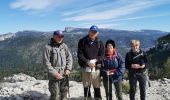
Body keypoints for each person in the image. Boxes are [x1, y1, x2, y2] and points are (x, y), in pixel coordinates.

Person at [43, 30, 73, 100]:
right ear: (54, 37)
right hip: (54, 77)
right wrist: (55, 74)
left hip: (64, 75)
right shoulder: (48, 47)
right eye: (58, 36)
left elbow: (69, 57)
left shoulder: (64, 46)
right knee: (55, 95)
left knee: (64, 93)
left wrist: (68, 68)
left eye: (62, 36)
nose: (60, 38)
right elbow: (46, 63)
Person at [77, 25, 105, 100]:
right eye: (92, 31)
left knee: (97, 86)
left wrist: (95, 61)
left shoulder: (100, 42)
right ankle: (88, 98)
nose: (93, 33)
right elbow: (80, 54)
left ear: (97, 33)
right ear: (89, 31)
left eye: (95, 32)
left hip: (96, 68)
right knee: (86, 85)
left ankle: (98, 98)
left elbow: (102, 55)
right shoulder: (82, 41)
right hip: (85, 67)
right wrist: (87, 62)